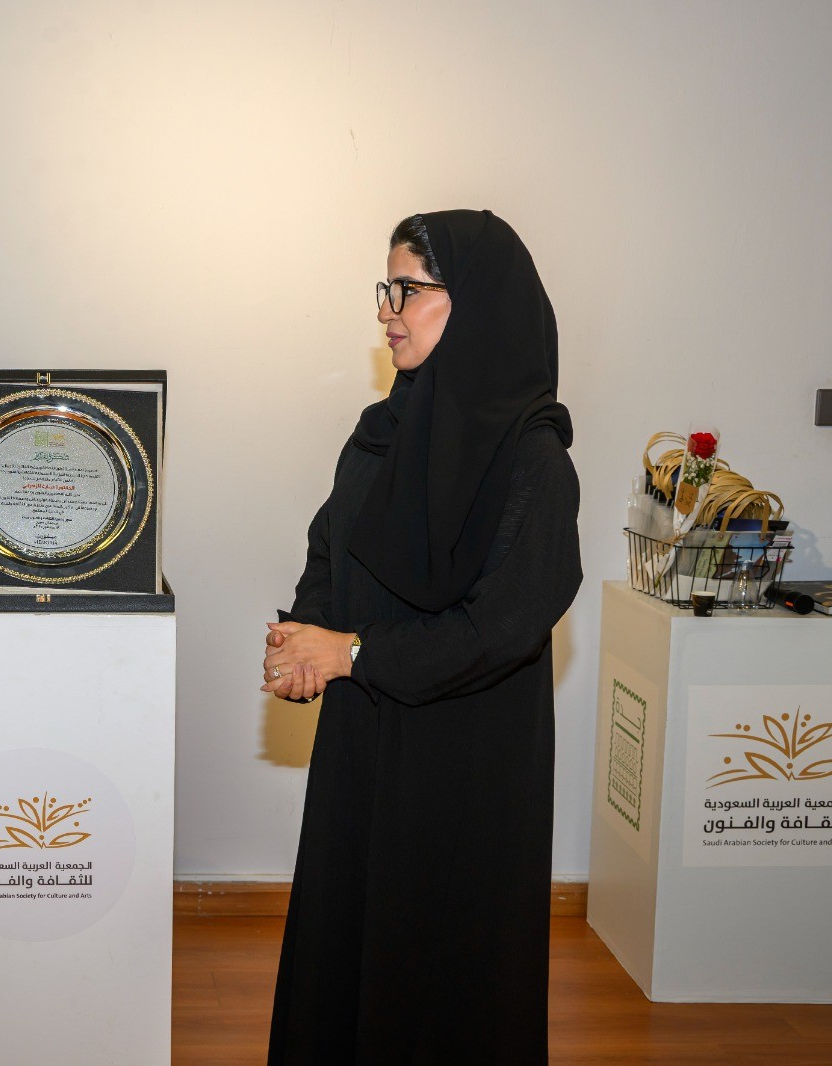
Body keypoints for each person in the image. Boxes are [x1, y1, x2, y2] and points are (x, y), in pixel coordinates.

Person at [261, 210, 581, 1064]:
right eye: (386, 288)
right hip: (365, 740)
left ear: (473, 302)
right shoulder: (382, 432)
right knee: (347, 947)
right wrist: (303, 635)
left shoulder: (533, 460)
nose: (386, 310)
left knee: (441, 973)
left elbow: (503, 626)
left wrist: (351, 653)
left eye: (408, 290)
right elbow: (332, 544)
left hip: (466, 767)